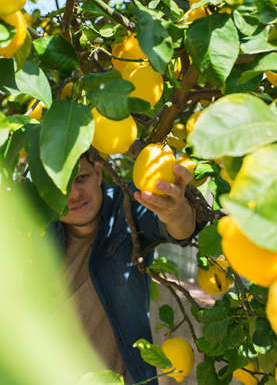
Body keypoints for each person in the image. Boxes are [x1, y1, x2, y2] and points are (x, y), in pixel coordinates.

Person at [49, 149, 205, 385]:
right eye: (61, 184)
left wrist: (176, 212)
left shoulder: (126, 206)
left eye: (81, 178)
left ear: (99, 173)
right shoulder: (34, 227)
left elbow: (178, 228)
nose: (74, 194)